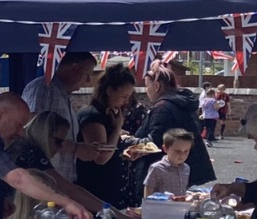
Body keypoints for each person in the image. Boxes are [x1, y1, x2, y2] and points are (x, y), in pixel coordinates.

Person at [126, 62, 216, 188]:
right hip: (184, 166)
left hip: (164, 172)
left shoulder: (162, 107)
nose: (146, 91)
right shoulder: (181, 102)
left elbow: (154, 143)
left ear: (157, 86)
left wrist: (128, 140)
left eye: (147, 86)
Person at [22, 50, 98, 182]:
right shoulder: (43, 88)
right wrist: (76, 149)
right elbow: (35, 134)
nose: (88, 81)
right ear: (74, 68)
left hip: (61, 182)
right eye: (87, 74)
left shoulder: (62, 94)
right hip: (43, 181)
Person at [75, 62, 136, 209]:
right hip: (95, 190)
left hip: (110, 190)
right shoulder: (92, 115)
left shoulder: (107, 115)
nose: (126, 102)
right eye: (123, 96)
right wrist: (117, 129)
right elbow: (101, 157)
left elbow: (112, 149)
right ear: (109, 91)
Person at [141, 129, 194, 198]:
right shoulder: (157, 168)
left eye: (186, 151)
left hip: (180, 207)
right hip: (161, 207)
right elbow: (148, 193)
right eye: (178, 151)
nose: (182, 155)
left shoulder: (186, 168)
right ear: (165, 148)